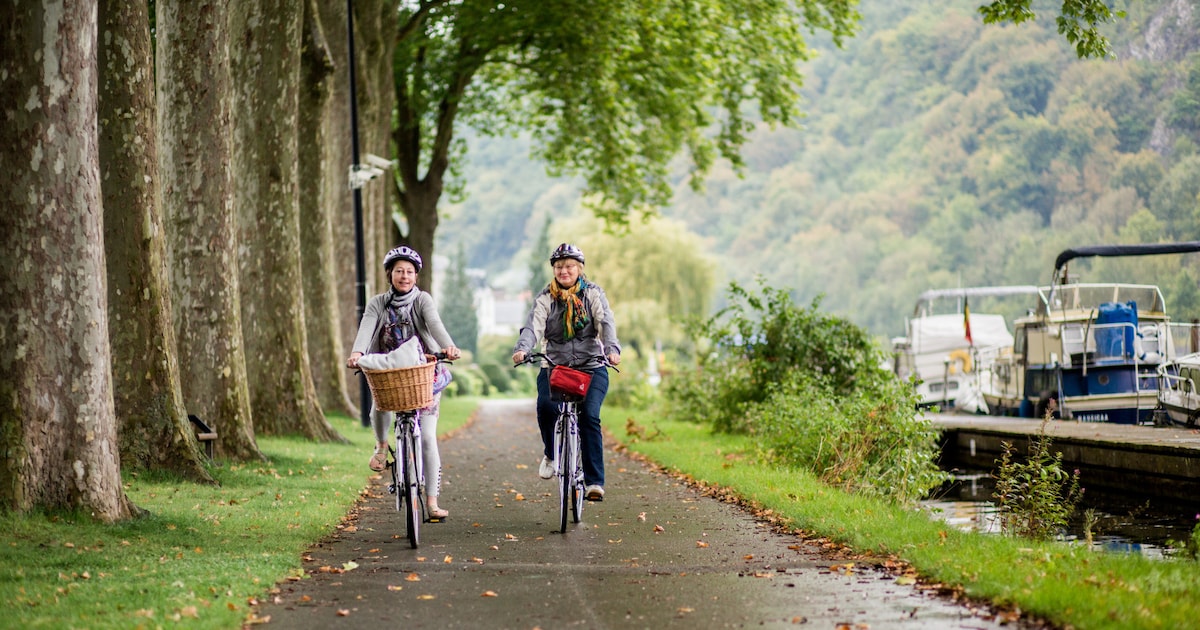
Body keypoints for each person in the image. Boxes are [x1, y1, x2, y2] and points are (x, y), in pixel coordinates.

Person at [347, 246, 461, 520]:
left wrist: (448, 346)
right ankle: (381, 446)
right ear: (390, 274)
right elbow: (366, 327)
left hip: (424, 374)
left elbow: (434, 324)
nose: (404, 276)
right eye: (399, 271)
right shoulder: (377, 303)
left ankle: (432, 502)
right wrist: (357, 353)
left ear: (416, 276)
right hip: (389, 371)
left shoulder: (422, 300)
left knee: (428, 438)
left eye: (409, 272)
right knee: (379, 405)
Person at [512, 243, 621, 502]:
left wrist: (611, 349)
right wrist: (523, 348)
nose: (564, 271)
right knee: (546, 407)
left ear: (579, 269)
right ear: (554, 270)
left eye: (570, 266)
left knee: (589, 416)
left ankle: (594, 482)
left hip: (591, 366)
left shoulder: (593, 293)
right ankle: (551, 454)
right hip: (555, 366)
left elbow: (605, 322)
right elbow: (533, 327)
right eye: (559, 266)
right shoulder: (545, 298)